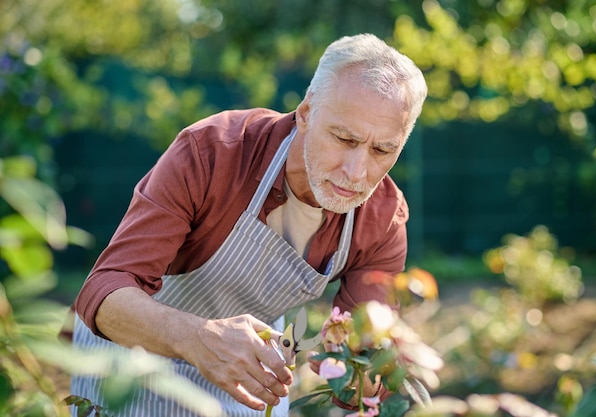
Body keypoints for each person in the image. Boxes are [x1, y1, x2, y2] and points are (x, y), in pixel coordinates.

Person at [69, 33, 427, 417]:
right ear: (306, 114)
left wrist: (365, 374)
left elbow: (363, 353)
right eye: (343, 138)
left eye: (382, 150)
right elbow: (103, 292)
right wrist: (199, 338)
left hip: (250, 376)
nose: (357, 172)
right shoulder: (212, 152)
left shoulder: (383, 219)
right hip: (132, 360)